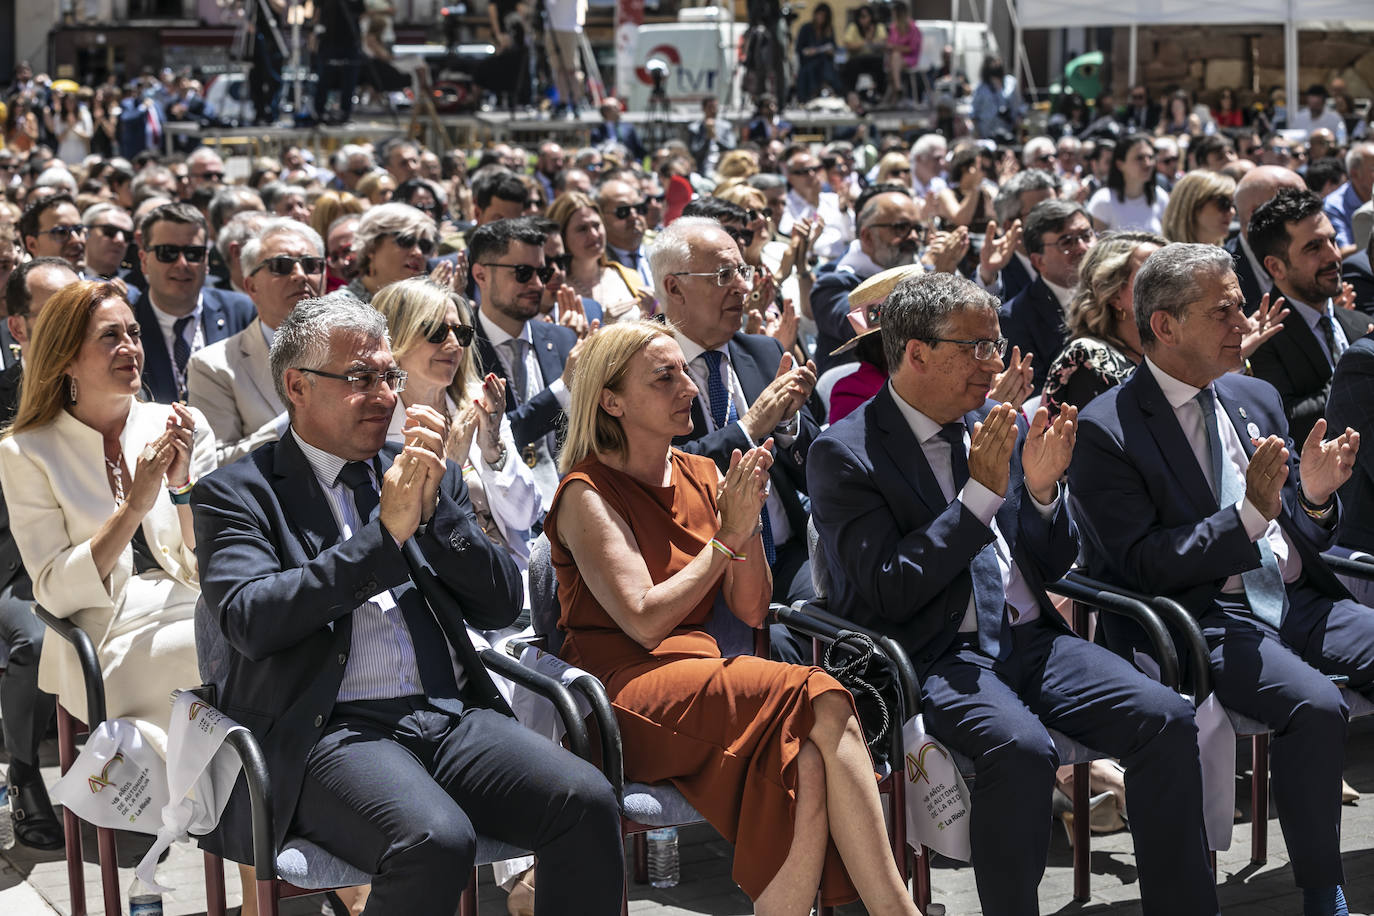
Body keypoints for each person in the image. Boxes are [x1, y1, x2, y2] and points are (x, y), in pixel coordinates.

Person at [190, 294, 623, 911]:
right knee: (433, 840)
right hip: (329, 731)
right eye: (360, 379)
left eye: (389, 376)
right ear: (297, 386)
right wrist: (383, 535)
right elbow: (252, 621)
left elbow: (501, 604)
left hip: (446, 714)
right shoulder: (239, 493)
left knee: (585, 800)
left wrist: (435, 512)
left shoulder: (419, 473)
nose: (387, 396)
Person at [808, 269, 1218, 915]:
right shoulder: (846, 452)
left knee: (1166, 716)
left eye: (994, 344)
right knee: (1022, 751)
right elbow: (886, 591)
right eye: (975, 347)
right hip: (933, 652)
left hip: (1030, 638)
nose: (993, 362)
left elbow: (1054, 564)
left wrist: (1046, 494)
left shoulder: (994, 426)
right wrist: (979, 495)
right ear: (916, 352)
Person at [546, 317, 918, 914]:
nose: (689, 389)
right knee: (823, 695)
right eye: (664, 378)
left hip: (709, 681)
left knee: (811, 763)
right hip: (622, 699)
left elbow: (750, 607)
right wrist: (727, 537)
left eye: (686, 373)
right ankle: (896, 910)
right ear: (611, 400)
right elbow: (644, 621)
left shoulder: (705, 472)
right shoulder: (586, 492)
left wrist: (743, 534)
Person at [1068, 242, 1371, 916]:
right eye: (1223, 310)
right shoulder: (1107, 428)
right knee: (1316, 707)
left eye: (1239, 304)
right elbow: (1142, 563)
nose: (1243, 321)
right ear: (1166, 326)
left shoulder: (1251, 394)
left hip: (1298, 599)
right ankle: (1324, 891)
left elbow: (1296, 525)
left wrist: (1315, 498)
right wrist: (1248, 516)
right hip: (1201, 617)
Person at [0, 279, 214, 762]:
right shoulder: (25, 451)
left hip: (192, 604)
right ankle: (212, 810)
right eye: (109, 337)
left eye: (134, 333)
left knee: (252, 649)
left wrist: (181, 491)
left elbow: (209, 561)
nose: (130, 348)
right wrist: (135, 505)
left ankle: (220, 814)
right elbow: (53, 589)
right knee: (209, 661)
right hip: (101, 633)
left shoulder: (182, 424)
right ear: (66, 358)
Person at [650, 216, 819, 610]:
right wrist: (750, 427)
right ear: (674, 287)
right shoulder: (640, 367)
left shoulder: (765, 353)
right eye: (724, 275)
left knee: (842, 625)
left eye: (742, 271)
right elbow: (664, 471)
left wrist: (788, 422)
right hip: (697, 565)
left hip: (788, 553)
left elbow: (814, 469)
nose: (744, 287)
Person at [374, 277, 541, 569]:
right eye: (436, 331)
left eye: (461, 333)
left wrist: (493, 449)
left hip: (512, 579)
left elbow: (525, 515)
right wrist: (450, 464)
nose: (453, 344)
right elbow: (398, 536)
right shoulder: (374, 421)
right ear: (395, 338)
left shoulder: (479, 403)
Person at [0, 257, 80, 852]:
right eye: (53, 311)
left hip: (92, 550)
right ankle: (25, 773)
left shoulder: (97, 380)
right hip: (11, 563)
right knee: (36, 638)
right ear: (19, 328)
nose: (69, 321)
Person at [188, 218, 323, 466]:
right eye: (281, 266)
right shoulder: (213, 366)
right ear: (251, 286)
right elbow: (213, 464)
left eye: (312, 265)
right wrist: (296, 419)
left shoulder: (355, 352)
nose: (301, 275)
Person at [469, 218, 584, 508]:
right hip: (502, 515)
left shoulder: (563, 341)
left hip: (571, 509)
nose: (536, 284)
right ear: (480, 275)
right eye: (522, 273)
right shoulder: (459, 349)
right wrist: (561, 391)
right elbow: (487, 439)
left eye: (542, 272)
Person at [1246, 188, 1372, 444]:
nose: (1334, 256)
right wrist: (1360, 375)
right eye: (1314, 247)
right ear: (1275, 266)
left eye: (1333, 241)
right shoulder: (1261, 340)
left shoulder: (1358, 322)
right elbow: (1284, 419)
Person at [133, 202, 255, 403]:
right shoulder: (129, 321)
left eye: (193, 254)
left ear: (206, 261)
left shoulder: (241, 312)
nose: (182, 264)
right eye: (167, 253)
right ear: (144, 260)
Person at [1041, 231, 1164, 417]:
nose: (1171, 283)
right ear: (1114, 294)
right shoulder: (1086, 358)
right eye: (1153, 274)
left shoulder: (1176, 353)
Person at [999, 199, 1096, 393]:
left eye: (1086, 235)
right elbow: (1037, 395)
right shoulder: (1016, 318)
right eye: (1067, 242)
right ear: (1038, 260)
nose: (1083, 248)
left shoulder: (1115, 294)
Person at [547, 191, 647, 323]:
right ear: (562, 236)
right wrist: (602, 323)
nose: (594, 235)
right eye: (582, 229)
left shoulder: (627, 276)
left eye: (596, 225)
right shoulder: (553, 289)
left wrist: (650, 310)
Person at [1229, 165, 1308, 314]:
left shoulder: (1316, 255)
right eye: (1295, 206)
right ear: (1257, 214)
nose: (1310, 214)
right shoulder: (1220, 274)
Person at [329, 202, 437, 304]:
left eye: (425, 246)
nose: (418, 253)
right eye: (406, 241)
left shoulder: (432, 304)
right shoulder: (337, 306)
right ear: (372, 246)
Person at [779, 146, 854, 262]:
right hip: (813, 264)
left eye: (816, 168)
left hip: (845, 260)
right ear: (789, 177)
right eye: (803, 171)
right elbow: (787, 237)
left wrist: (844, 210)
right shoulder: (784, 204)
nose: (811, 174)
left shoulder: (833, 199)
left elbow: (851, 236)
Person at [1087, 134, 1169, 233]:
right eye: (1139, 158)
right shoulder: (1103, 201)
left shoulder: (1161, 198)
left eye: (1150, 157)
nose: (1147, 164)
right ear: (1120, 164)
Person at [597, 179, 654, 291]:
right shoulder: (597, 265)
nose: (634, 216)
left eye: (638, 208)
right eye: (623, 211)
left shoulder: (661, 251)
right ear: (601, 217)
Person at [1324, 142, 1373, 257]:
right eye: (1373, 169)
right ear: (1354, 173)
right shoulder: (1333, 206)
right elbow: (1341, 252)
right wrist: (1368, 244)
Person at [1162, 170, 1237, 246]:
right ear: (1192, 205)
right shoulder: (1159, 256)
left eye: (1233, 204)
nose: (1232, 212)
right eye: (1223, 203)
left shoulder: (1230, 256)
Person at [19, 192, 85, 269]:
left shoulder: (99, 280)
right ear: (32, 245)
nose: (76, 240)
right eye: (62, 232)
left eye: (78, 229)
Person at [934, 146, 995, 229]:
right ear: (965, 167)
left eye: (987, 169)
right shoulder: (946, 194)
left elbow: (995, 222)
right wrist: (975, 188)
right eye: (982, 168)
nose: (984, 174)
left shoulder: (985, 195)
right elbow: (961, 221)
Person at [795, 3, 843, 103]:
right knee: (815, 67)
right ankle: (820, 89)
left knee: (825, 64)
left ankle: (825, 88)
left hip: (824, 62)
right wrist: (810, 51)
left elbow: (834, 47)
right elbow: (799, 49)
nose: (820, 18)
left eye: (823, 16)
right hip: (808, 62)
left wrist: (830, 51)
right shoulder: (806, 28)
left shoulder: (829, 30)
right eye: (819, 15)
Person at [970, 56, 1024, 142]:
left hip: (1008, 132)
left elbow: (1019, 106)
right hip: (987, 133)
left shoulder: (1011, 82)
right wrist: (977, 134)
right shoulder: (981, 88)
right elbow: (973, 113)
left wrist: (1018, 123)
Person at [841, 5, 887, 99]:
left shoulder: (879, 27)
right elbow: (848, 45)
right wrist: (865, 41)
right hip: (857, 59)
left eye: (865, 17)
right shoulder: (853, 27)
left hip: (875, 59)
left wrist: (872, 40)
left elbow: (884, 43)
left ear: (871, 17)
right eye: (861, 17)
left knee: (881, 65)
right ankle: (851, 94)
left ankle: (879, 94)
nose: (863, 20)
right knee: (851, 66)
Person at [883, 1, 921, 106]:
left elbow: (912, 48)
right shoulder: (893, 28)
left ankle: (896, 91)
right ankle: (897, 91)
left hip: (910, 58)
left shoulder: (913, 28)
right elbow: (889, 43)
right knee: (893, 59)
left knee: (894, 59)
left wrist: (895, 47)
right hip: (895, 59)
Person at [589, 98, 647, 163]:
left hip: (628, 165)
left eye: (619, 106)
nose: (619, 109)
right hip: (607, 165)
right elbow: (594, 151)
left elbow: (640, 150)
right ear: (605, 111)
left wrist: (636, 163)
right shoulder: (597, 131)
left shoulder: (629, 128)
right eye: (615, 107)